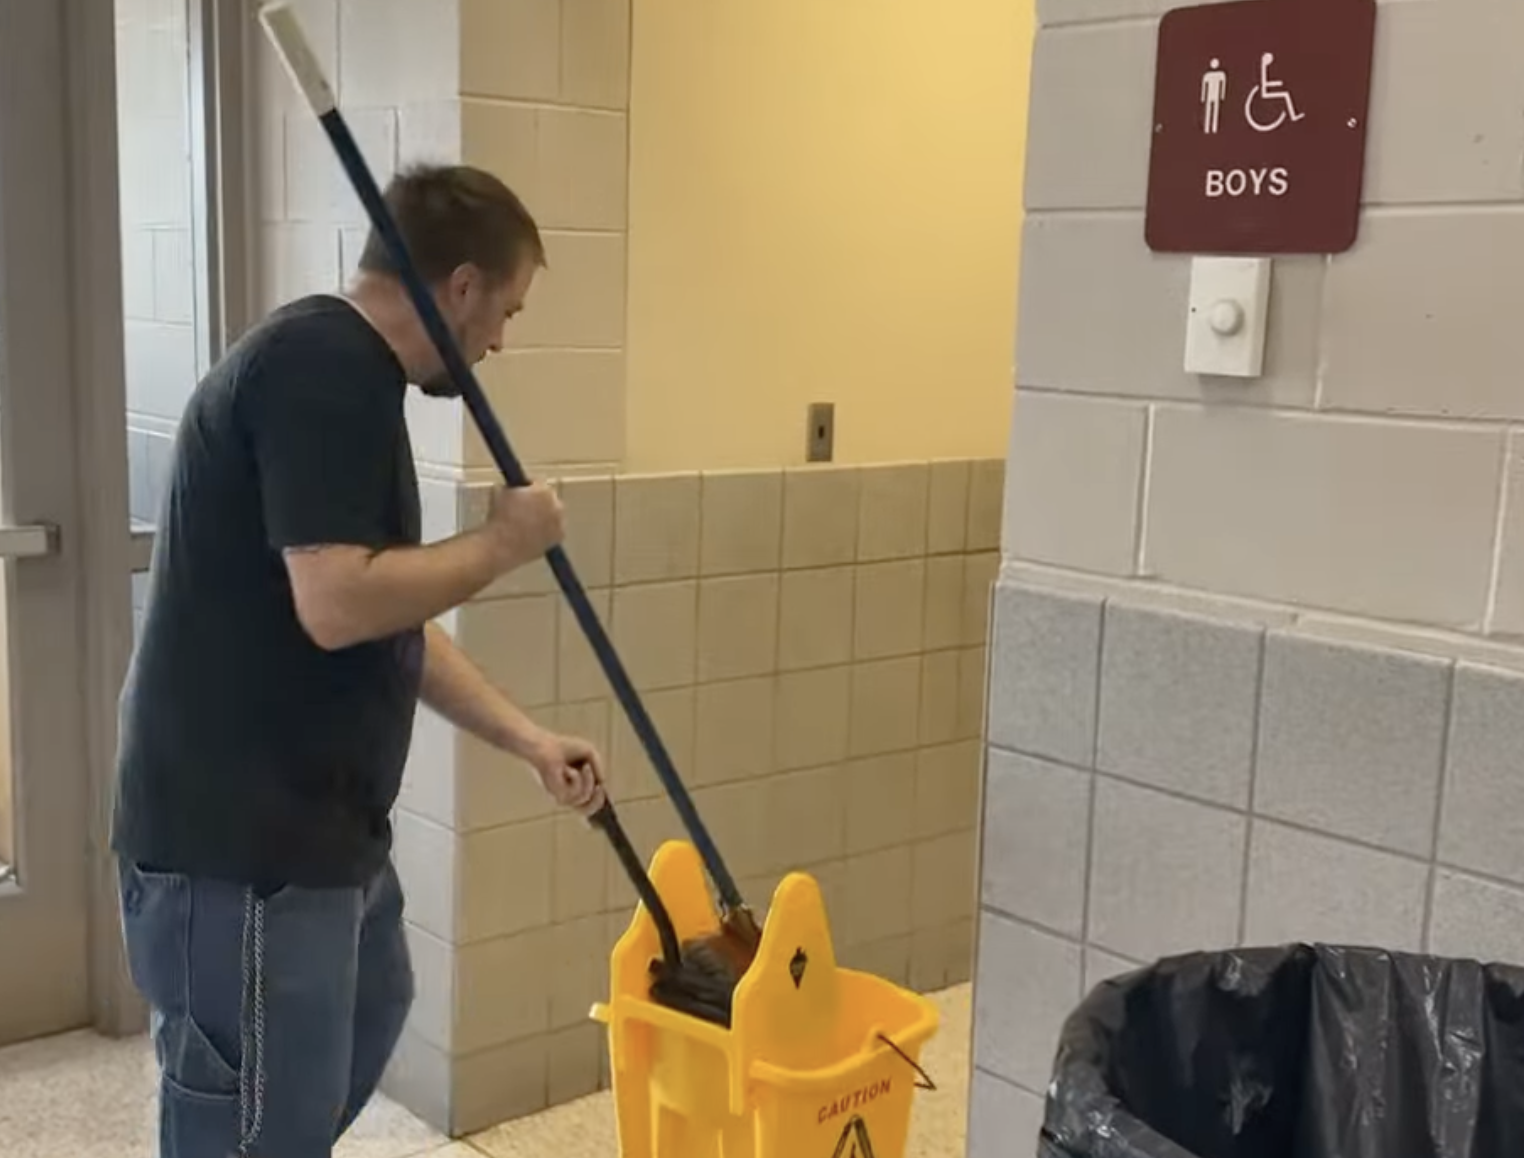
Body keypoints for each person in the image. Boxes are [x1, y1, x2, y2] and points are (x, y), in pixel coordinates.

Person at [110, 163, 607, 1158]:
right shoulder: (323, 367)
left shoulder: (352, 380)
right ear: (458, 287)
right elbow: (337, 604)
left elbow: (383, 619)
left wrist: (526, 738)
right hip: (241, 853)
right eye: (505, 310)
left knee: (377, 1001)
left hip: (318, 835)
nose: (500, 340)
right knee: (249, 1128)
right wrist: (505, 544)